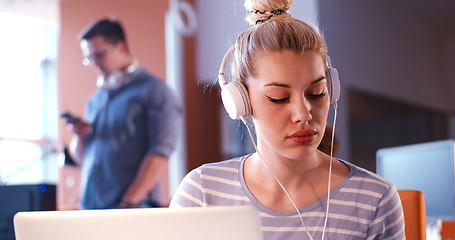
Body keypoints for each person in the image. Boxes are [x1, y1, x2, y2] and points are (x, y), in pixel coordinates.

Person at [169, 0, 405, 239]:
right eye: (279, 98)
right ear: (242, 102)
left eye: (316, 93)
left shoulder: (375, 199)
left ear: (332, 90)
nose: (304, 114)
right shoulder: (202, 193)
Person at [65, 18, 182, 209]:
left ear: (119, 47)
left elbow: (160, 153)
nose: (94, 64)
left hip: (129, 209)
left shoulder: (154, 91)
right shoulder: (96, 100)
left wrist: (128, 202)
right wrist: (79, 136)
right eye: (89, 58)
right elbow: (82, 159)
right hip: (91, 208)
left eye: (99, 55)